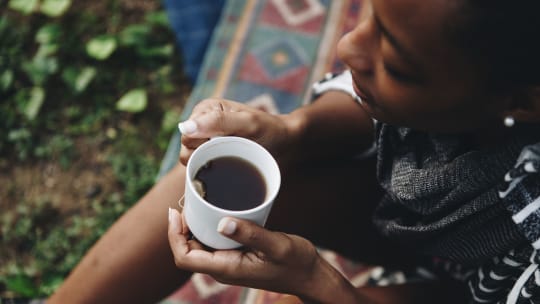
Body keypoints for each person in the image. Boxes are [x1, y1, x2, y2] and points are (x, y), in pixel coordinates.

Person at [49, 0, 540, 303]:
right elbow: (361, 107)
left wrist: (319, 284)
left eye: (396, 64)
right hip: (418, 225)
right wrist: (292, 129)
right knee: (231, 168)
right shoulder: (471, 71)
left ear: (522, 100)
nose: (348, 46)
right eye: (370, 13)